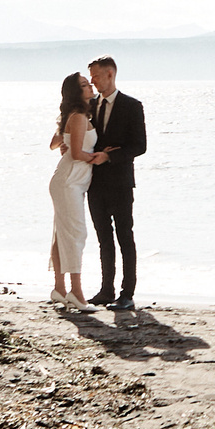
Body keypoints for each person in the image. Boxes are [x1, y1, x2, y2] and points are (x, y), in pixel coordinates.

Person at [85, 55, 148, 308]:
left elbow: (140, 146)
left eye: (96, 76)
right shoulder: (89, 105)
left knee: (125, 237)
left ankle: (127, 294)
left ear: (110, 74)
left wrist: (109, 156)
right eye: (91, 77)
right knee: (103, 239)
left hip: (121, 182)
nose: (93, 81)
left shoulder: (132, 106)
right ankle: (105, 290)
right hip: (94, 183)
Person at [45, 70, 107, 306]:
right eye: (84, 85)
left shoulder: (74, 116)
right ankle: (76, 292)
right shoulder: (79, 117)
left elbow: (54, 144)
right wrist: (101, 156)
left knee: (63, 233)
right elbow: (77, 153)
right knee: (76, 234)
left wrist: (66, 140)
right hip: (69, 181)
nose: (90, 86)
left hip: (69, 179)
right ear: (76, 93)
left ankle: (60, 289)